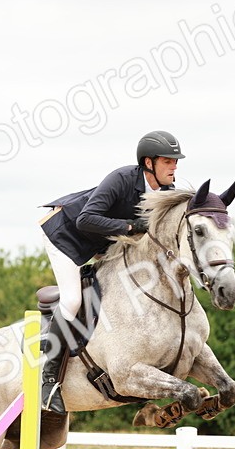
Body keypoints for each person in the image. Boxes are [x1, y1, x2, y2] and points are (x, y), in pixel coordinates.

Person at [37, 130, 185, 413]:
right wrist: (129, 226)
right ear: (149, 163)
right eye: (168, 161)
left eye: (176, 162)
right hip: (66, 234)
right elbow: (85, 219)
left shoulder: (167, 192)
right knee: (72, 299)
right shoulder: (121, 179)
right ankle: (49, 381)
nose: (174, 167)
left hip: (102, 241)